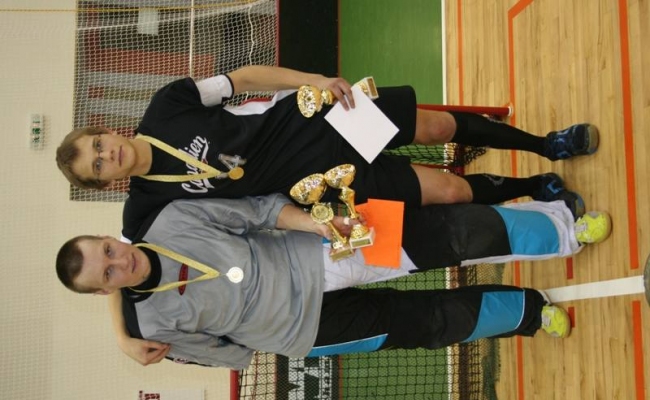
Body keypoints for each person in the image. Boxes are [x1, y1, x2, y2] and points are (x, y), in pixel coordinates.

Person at [56, 194, 611, 369]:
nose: (119, 263)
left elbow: (258, 210)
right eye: (107, 274)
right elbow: (228, 355)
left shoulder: (168, 218)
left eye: (108, 251)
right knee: (426, 324)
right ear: (105, 291)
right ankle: (529, 313)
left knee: (444, 234)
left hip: (318, 250)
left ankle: (565, 227)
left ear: (111, 236)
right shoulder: (150, 327)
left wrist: (318, 225)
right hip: (308, 330)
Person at [55, 65, 597, 242]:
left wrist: (313, 81)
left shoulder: (166, 105)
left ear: (106, 130)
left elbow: (246, 78)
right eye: (97, 166)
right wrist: (123, 336)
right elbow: (118, 260)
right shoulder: (146, 203)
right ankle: (535, 190)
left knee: (436, 125)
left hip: (316, 120)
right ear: (105, 184)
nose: (108, 155)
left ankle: (546, 144)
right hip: (321, 188)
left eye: (98, 145)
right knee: (448, 191)